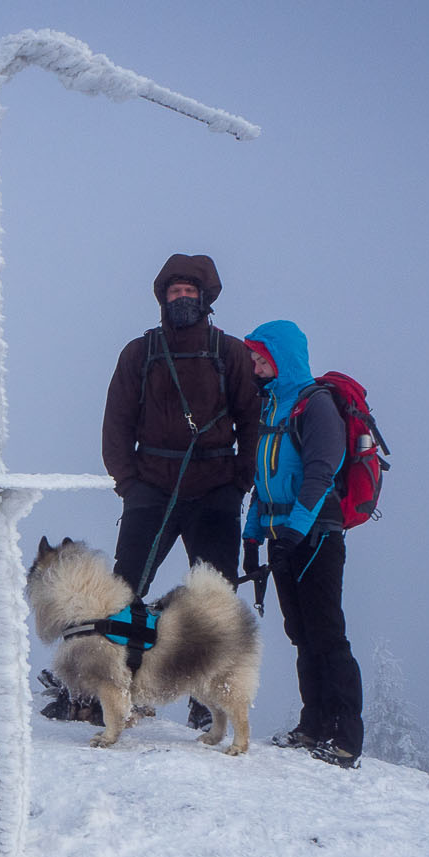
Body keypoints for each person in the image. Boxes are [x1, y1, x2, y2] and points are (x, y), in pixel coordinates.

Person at [96, 255, 259, 732]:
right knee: (124, 593)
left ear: (205, 298)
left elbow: (252, 420)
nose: (182, 300)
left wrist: (239, 481)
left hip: (215, 491)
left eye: (190, 293)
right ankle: (117, 688)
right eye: (174, 293)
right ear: (162, 299)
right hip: (151, 488)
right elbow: (116, 422)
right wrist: (128, 482)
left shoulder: (228, 353)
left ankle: (210, 704)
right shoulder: (139, 353)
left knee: (216, 600)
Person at [240, 319, 364, 767]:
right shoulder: (271, 407)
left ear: (281, 356)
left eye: (260, 357)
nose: (254, 365)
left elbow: (321, 472)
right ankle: (313, 726)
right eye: (253, 358)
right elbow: (263, 479)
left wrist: (294, 528)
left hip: (316, 534)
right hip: (281, 535)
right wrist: (253, 533)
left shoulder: (315, 405)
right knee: (301, 634)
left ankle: (346, 737)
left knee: (327, 633)